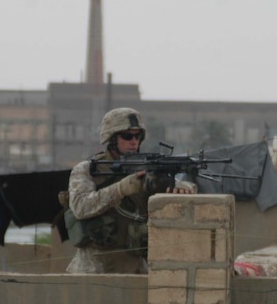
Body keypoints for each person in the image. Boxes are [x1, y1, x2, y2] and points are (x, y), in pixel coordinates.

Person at [65, 107, 195, 274]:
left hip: (135, 268)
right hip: (94, 268)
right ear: (111, 139)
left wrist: (183, 188)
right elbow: (80, 207)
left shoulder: (146, 169)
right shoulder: (88, 169)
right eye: (127, 136)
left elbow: (178, 190)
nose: (134, 141)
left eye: (137, 136)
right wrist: (120, 189)